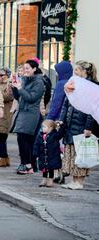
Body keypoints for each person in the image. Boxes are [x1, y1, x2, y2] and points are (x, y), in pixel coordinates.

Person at [58, 61, 96, 190]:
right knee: (71, 154)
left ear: (85, 72)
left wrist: (89, 127)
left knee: (80, 154)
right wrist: (61, 119)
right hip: (70, 123)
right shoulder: (73, 84)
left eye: (77, 70)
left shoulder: (92, 87)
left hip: (82, 125)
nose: (74, 73)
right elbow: (65, 104)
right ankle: (74, 180)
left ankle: (79, 181)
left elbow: (93, 109)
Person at [10, 59, 45, 175]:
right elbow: (17, 97)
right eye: (24, 68)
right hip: (22, 112)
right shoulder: (24, 80)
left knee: (25, 139)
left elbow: (31, 98)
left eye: (27, 68)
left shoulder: (39, 82)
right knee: (22, 139)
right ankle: (27, 165)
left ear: (34, 69)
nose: (25, 71)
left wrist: (20, 89)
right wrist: (14, 87)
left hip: (31, 114)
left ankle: (28, 165)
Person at [33, 120, 65, 188]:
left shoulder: (54, 135)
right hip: (43, 156)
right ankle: (44, 179)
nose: (42, 128)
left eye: (44, 127)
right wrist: (35, 153)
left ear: (50, 128)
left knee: (51, 168)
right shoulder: (40, 136)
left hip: (52, 156)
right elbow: (36, 144)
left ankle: (50, 180)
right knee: (44, 169)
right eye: (42, 127)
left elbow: (61, 133)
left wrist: (62, 126)